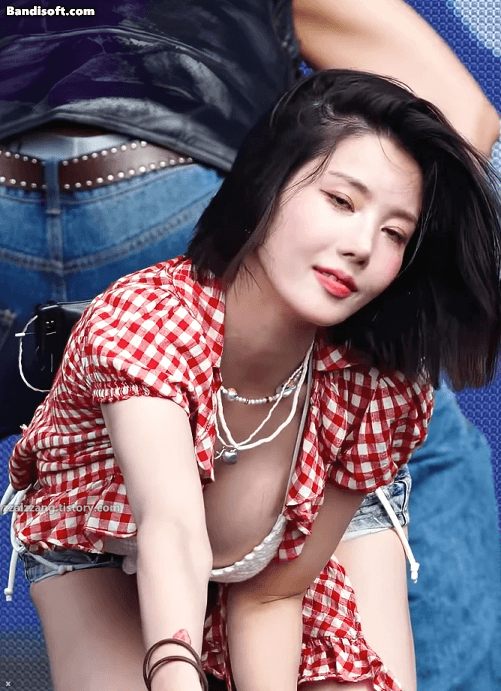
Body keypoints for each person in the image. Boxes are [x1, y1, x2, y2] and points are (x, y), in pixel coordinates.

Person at [3, 69, 501, 691]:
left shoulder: (380, 387)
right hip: (110, 538)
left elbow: (272, 595)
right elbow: (171, 532)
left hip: (278, 555)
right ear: (269, 184)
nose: (362, 246)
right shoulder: (149, 324)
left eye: (394, 232)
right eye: (341, 202)